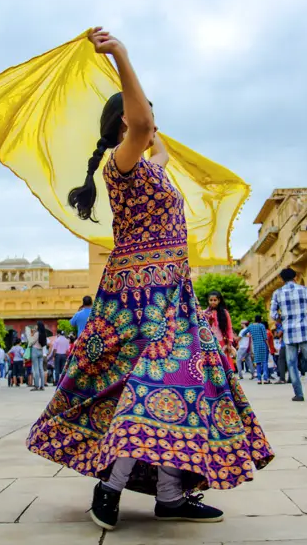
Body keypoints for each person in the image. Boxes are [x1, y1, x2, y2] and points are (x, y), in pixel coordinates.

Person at [27, 29, 273, 531]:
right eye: (145, 119)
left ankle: (169, 493)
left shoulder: (152, 166)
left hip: (172, 291)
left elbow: (156, 144)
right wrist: (121, 56)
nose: (152, 125)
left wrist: (153, 126)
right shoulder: (122, 167)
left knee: (180, 381)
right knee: (152, 380)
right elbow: (140, 123)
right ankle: (110, 487)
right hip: (140, 294)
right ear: (126, 124)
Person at [270, 268, 307, 402]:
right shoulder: (305, 290)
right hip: (304, 330)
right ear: (295, 277)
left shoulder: (278, 293)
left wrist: (283, 319)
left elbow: (273, 314)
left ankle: (299, 394)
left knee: (291, 363)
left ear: (282, 279)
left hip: (289, 332)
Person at [247, 316, 269, 384]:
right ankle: (265, 379)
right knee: (264, 362)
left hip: (255, 346)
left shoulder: (250, 326)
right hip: (262, 345)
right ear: (260, 320)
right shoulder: (261, 326)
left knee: (258, 362)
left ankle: (259, 379)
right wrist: (268, 346)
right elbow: (265, 337)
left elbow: (243, 333)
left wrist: (249, 335)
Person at [28, 322, 48, 391]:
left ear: (38, 326)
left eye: (36, 325)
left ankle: (36, 385)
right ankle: (42, 386)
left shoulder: (37, 333)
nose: (35, 326)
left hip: (35, 350)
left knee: (36, 369)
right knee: (41, 369)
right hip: (41, 351)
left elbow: (31, 342)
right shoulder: (44, 334)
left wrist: (32, 335)